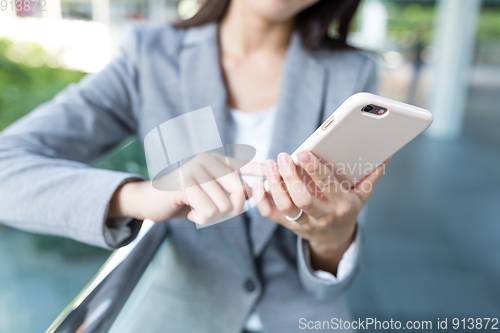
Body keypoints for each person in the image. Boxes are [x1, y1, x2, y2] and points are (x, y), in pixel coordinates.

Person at [0, 0, 387, 332]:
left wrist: (331, 239)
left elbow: (330, 280)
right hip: (185, 315)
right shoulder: (150, 55)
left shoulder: (349, 73)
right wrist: (138, 196)